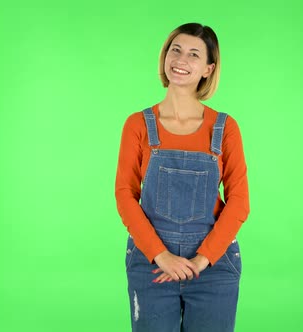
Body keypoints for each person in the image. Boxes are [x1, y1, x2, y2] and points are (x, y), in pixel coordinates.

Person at [115, 22, 250, 332]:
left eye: (193, 54)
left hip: (213, 267)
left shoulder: (225, 128)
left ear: (207, 68)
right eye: (175, 50)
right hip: (152, 263)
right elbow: (125, 195)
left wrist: (201, 260)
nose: (181, 60)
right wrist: (160, 256)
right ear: (165, 55)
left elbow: (239, 202)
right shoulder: (138, 125)